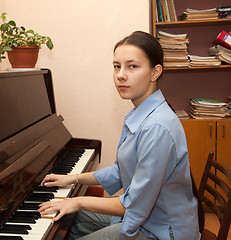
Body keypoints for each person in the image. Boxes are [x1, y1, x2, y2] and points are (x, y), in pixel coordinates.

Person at [38, 31, 200, 240]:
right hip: (145, 216)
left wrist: (76, 201)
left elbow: (133, 204)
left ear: (155, 72)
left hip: (161, 231)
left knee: (71, 213)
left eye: (132, 66)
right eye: (117, 66)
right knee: (70, 220)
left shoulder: (156, 127)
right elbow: (118, 171)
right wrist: (73, 178)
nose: (121, 75)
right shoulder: (138, 114)